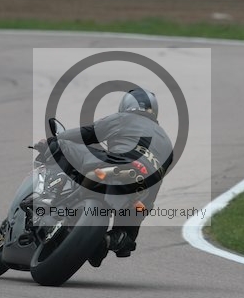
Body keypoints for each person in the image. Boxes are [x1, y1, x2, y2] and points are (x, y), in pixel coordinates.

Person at [36, 88, 173, 267]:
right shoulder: (168, 144)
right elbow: (157, 182)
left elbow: (87, 133)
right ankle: (109, 241)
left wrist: (52, 140)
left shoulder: (124, 118)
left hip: (117, 165)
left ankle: (46, 200)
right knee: (127, 233)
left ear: (125, 105)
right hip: (142, 187)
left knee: (61, 144)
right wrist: (143, 208)